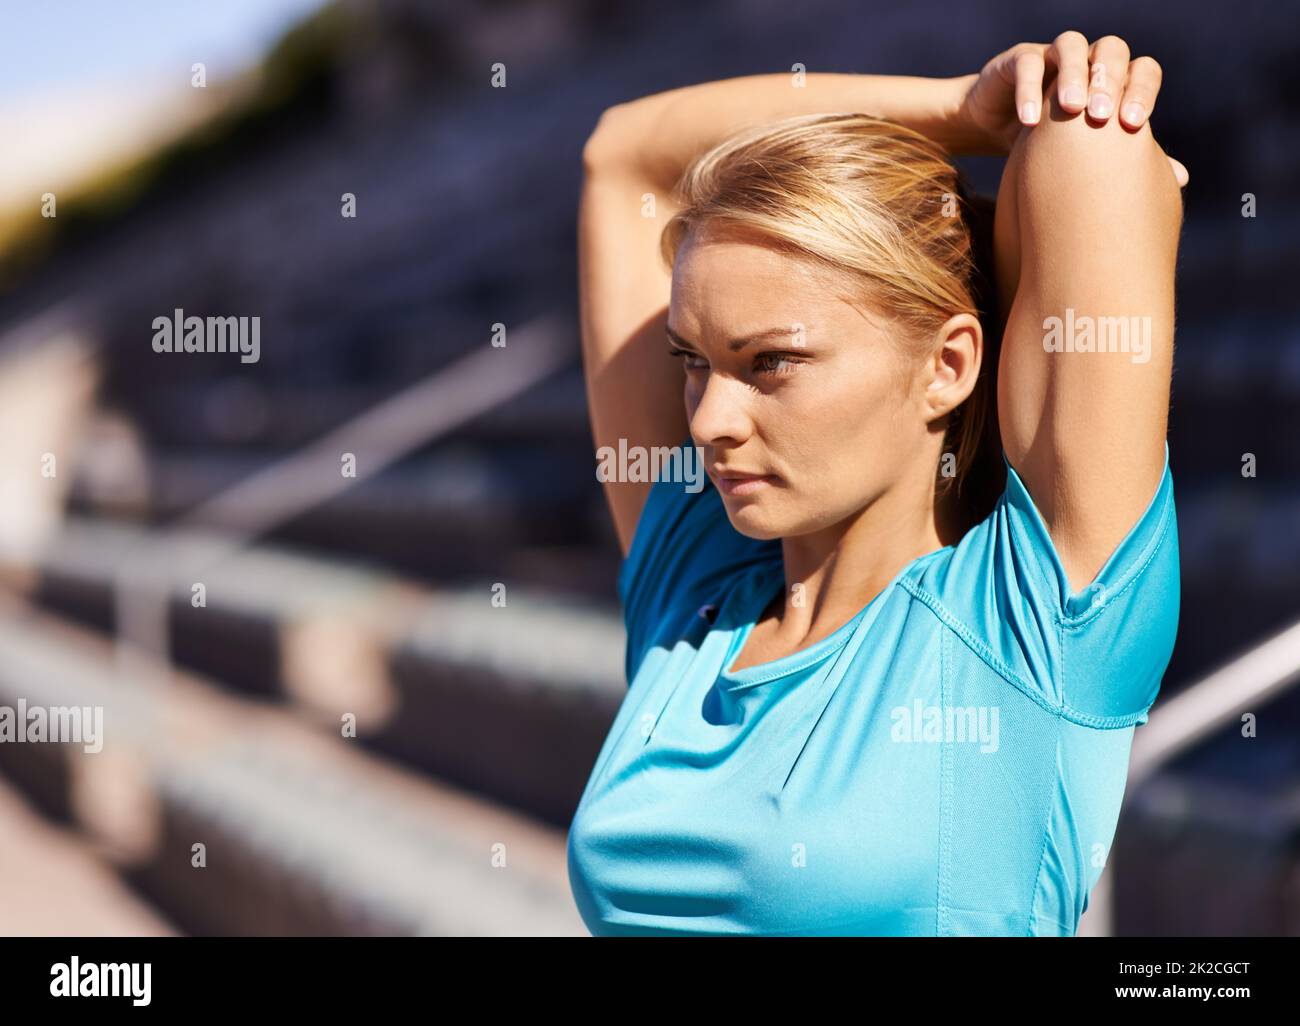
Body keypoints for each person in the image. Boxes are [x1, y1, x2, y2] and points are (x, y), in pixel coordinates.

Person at [567, 32, 1188, 936]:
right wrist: (953, 108)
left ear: (947, 364)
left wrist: (1032, 111)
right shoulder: (694, 596)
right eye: (693, 363)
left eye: (770, 361)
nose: (705, 423)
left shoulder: (1028, 624)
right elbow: (622, 155)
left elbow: (1088, 142)